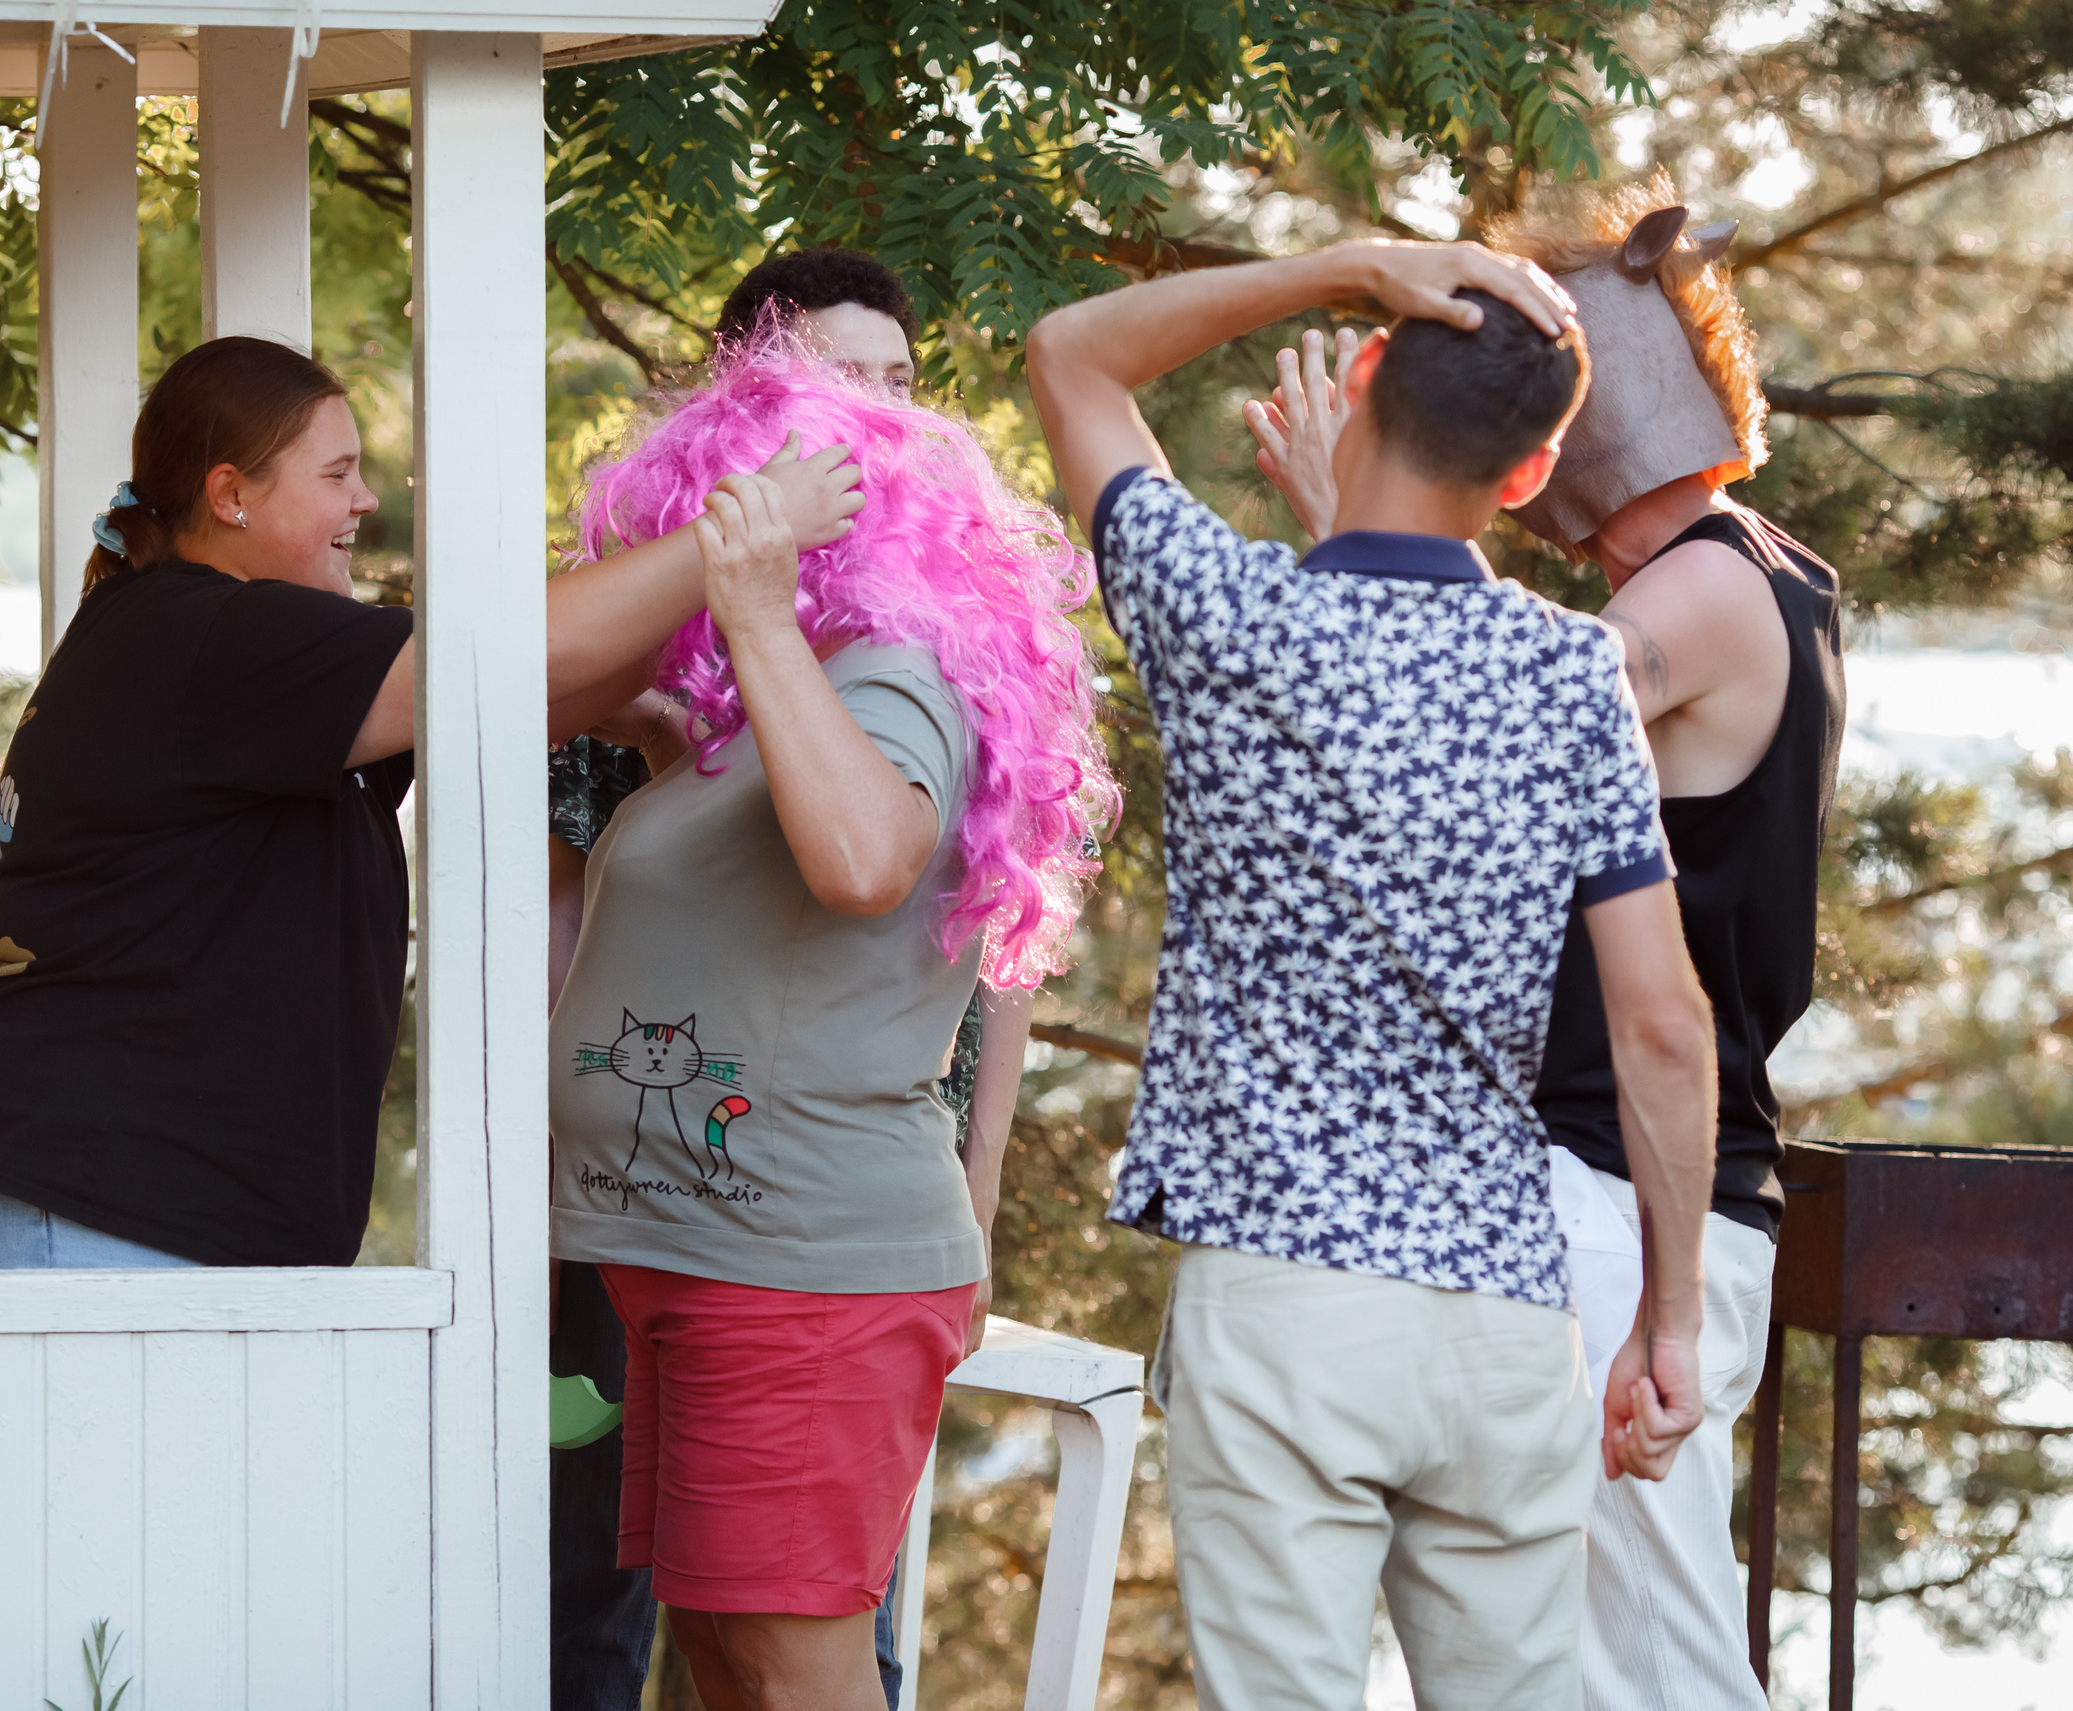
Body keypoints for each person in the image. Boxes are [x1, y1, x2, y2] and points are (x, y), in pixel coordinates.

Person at [1026, 241, 1718, 1709]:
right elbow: (1663, 1025)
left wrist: (1346, 266)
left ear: (1359, 377)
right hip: (1503, 1313)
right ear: (1529, 477)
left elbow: (1073, 353)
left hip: (1284, 1299)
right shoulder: (1571, 676)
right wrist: (1667, 1319)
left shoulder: (1228, 617)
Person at [0, 334, 863, 1270]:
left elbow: (532, 688)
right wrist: (740, 532)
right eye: (336, 475)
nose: (365, 499)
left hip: (123, 1197)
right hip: (78, 1189)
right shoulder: (206, 636)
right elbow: (518, 651)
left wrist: (721, 619)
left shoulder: (242, 651)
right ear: (231, 496)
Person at [1248, 176, 1844, 1711]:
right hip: (1633, 1194)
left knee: (1654, 1662)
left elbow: (1468, 701)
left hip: (1630, 1197)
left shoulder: (1706, 588)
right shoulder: (1775, 569)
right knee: (1562, 1653)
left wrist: (1352, 522)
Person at [548, 347, 1113, 1711]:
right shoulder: (785, 701)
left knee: (796, 1668)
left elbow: (864, 857)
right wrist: (691, 724)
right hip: (699, 1255)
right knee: (729, 1653)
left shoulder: (894, 678)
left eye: (725, 515)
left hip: (801, 1269)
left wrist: (753, 617)